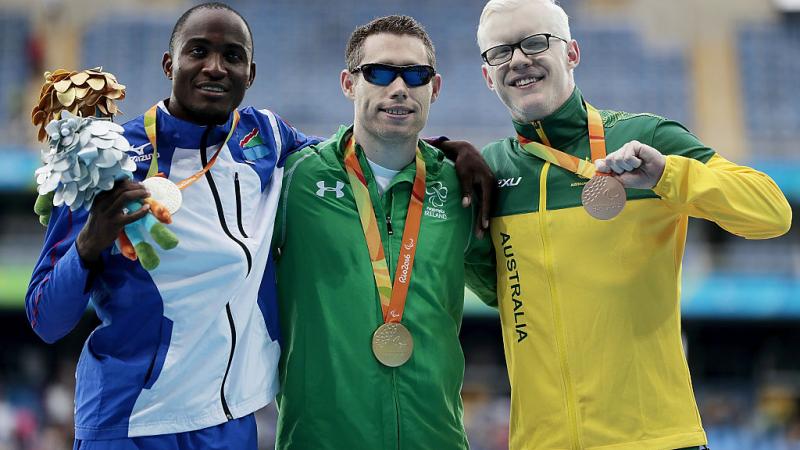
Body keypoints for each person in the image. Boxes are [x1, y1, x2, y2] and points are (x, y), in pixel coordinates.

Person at [25, 4, 492, 449]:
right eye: (197, 51)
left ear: (251, 74)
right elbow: (46, 318)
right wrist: (89, 243)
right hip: (130, 421)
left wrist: (449, 149)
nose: (214, 67)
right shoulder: (108, 161)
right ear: (169, 63)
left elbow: (363, 153)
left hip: (230, 424)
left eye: (232, 56)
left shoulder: (265, 137)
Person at [474, 0, 792, 449]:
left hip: (657, 440)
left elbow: (772, 213)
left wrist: (666, 175)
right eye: (500, 51)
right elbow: (499, 290)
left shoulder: (647, 139)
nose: (519, 59)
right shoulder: (487, 173)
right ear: (488, 75)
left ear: (572, 53)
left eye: (535, 42)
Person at [272, 15, 496, 450]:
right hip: (318, 441)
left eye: (416, 75)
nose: (399, 87)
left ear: (435, 87)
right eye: (378, 72)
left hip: (437, 440)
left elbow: (507, 291)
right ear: (348, 83)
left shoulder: (462, 187)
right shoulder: (294, 180)